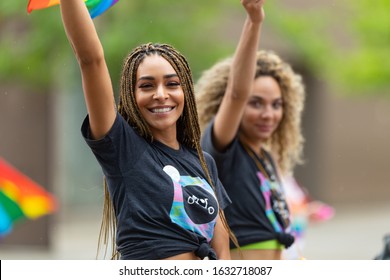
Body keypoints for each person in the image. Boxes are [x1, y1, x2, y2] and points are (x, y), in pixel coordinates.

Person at [58, 0, 233, 260]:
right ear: (131, 95)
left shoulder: (204, 162)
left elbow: (223, 254)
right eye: (147, 86)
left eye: (172, 84)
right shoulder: (124, 149)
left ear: (185, 92)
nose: (161, 95)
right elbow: (90, 60)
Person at [196, 0, 306, 259]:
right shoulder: (223, 147)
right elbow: (236, 93)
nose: (268, 114)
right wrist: (254, 21)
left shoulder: (266, 157)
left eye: (276, 104)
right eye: (255, 103)